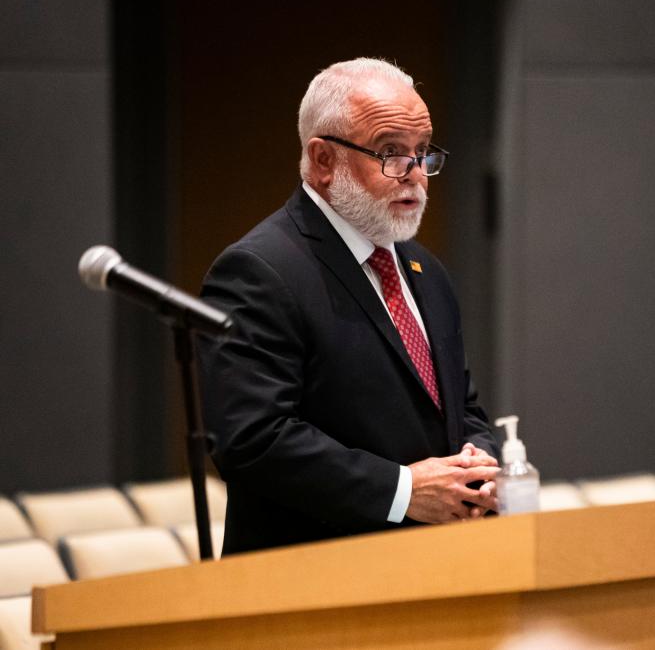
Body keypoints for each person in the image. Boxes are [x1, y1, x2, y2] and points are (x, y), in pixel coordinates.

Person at [198, 58, 500, 554]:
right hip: (314, 579)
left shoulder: (426, 270)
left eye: (424, 153)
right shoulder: (259, 270)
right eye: (391, 153)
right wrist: (402, 491)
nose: (417, 175)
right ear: (322, 160)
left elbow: (461, 409)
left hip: (435, 568)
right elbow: (253, 441)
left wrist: (480, 465)